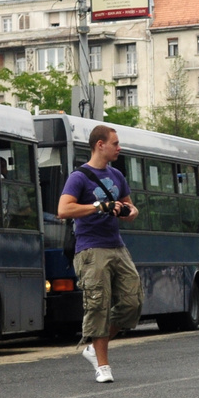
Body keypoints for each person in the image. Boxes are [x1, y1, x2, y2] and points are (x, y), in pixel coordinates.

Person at [57, 125, 141, 383]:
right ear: (99, 145)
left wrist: (130, 211)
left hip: (116, 245)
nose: (119, 147)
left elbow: (129, 205)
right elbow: (63, 209)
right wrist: (97, 206)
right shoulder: (79, 177)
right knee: (98, 305)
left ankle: (93, 347)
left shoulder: (116, 175)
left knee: (132, 303)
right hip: (91, 249)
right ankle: (102, 366)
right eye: (115, 143)